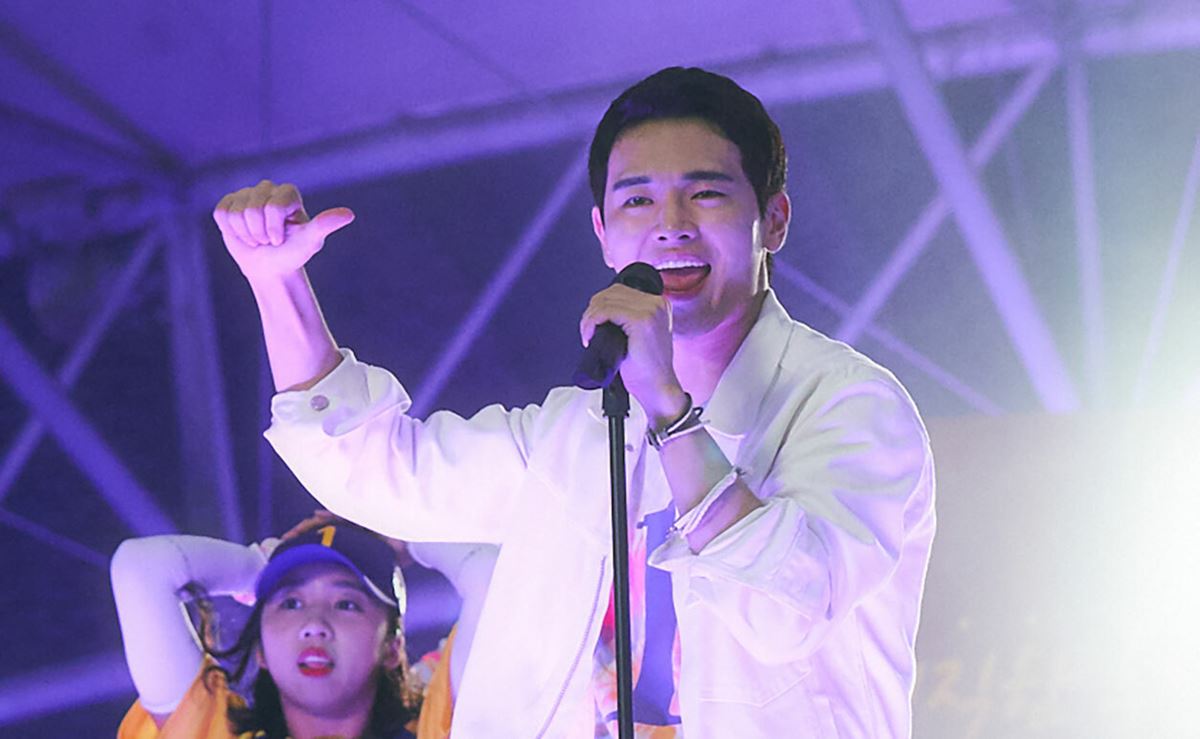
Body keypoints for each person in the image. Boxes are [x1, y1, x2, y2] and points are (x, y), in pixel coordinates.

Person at [213, 66, 936, 737]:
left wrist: (669, 409)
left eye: (707, 193)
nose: (671, 224)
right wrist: (277, 284)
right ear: (602, 233)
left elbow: (788, 610)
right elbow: (379, 471)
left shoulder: (850, 406)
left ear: (773, 219)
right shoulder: (580, 428)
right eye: (637, 199)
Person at [111, 518, 423, 738]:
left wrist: (407, 536)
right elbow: (141, 566)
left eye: (346, 604)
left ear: (392, 647)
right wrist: (259, 565)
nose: (314, 625)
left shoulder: (443, 726)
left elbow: (464, 554)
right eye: (291, 603)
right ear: (260, 648)